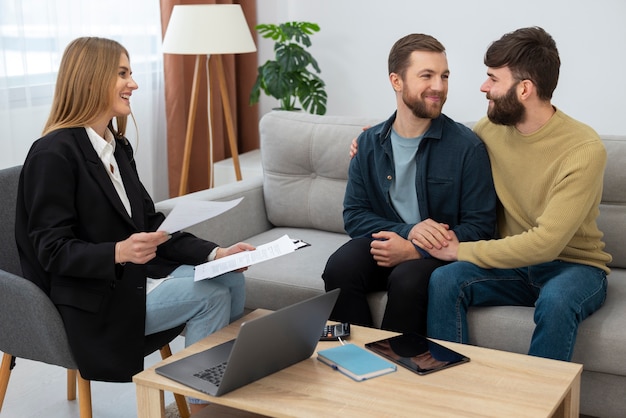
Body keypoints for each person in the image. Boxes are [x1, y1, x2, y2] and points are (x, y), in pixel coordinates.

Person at [14, 37, 253, 412]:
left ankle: (212, 391)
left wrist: (216, 253)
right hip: (92, 300)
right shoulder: (53, 154)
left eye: (131, 74)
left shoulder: (116, 146)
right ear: (92, 79)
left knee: (231, 278)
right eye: (123, 74)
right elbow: (51, 250)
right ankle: (200, 405)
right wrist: (118, 252)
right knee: (211, 296)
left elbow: (153, 224)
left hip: (134, 281)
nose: (134, 84)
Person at [423, 27, 612, 362]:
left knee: (557, 300)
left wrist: (460, 250)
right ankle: (448, 393)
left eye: (493, 79)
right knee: (445, 280)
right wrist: (378, 139)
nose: (484, 87)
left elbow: (546, 243)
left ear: (524, 89)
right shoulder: (490, 129)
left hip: (574, 267)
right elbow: (442, 146)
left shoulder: (583, 148)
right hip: (514, 269)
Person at [322, 33, 497, 335]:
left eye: (444, 76)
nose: (439, 87)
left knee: (408, 279)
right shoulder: (369, 142)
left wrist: (418, 248)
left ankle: (396, 365)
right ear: (396, 81)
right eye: (426, 76)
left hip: (435, 257)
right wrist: (408, 232)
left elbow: (481, 226)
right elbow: (354, 215)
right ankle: (354, 357)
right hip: (390, 242)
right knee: (340, 267)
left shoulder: (467, 148)